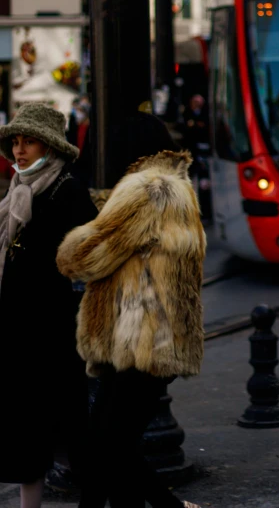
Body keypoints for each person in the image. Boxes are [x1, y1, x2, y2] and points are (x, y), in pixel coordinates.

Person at [57, 148, 206, 508]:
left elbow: (88, 253)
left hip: (140, 336)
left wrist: (68, 248)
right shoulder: (181, 189)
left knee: (106, 443)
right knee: (113, 445)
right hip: (160, 336)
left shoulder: (147, 189)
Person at [0, 103, 98, 508]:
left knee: (69, 429)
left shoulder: (66, 189)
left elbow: (92, 252)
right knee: (24, 431)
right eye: (16, 143)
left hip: (52, 332)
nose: (20, 151)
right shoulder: (17, 189)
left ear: (50, 146)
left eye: (29, 142)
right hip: (15, 329)